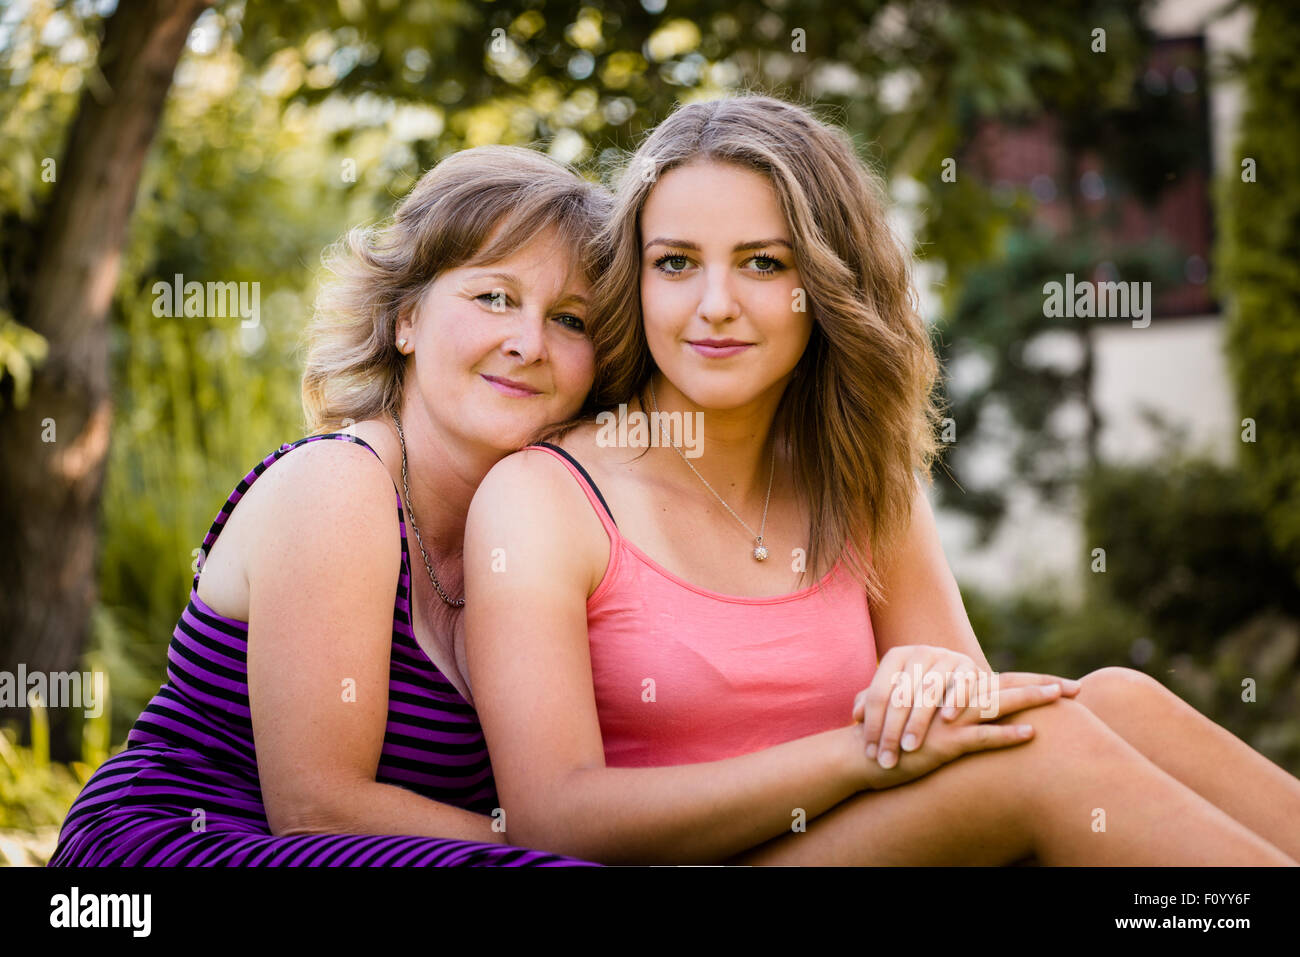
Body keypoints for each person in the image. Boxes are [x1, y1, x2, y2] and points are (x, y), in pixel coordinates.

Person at [463, 95, 1300, 866]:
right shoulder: (543, 497)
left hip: (865, 840)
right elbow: (552, 814)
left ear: (827, 283)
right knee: (1046, 751)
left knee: (1117, 698)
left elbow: (968, 703)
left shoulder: (853, 476)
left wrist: (932, 678)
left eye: (762, 263)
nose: (714, 303)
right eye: (676, 263)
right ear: (635, 279)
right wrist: (851, 754)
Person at [49, 145, 609, 866]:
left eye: (570, 319)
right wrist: (589, 848)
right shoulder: (341, 484)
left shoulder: (545, 531)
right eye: (493, 297)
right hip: (178, 848)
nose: (528, 342)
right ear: (406, 318)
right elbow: (318, 809)